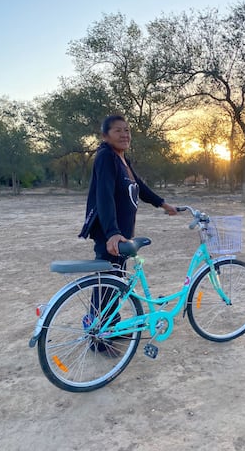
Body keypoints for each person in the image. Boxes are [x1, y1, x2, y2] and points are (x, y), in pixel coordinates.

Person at [79, 114, 177, 353]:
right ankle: (97, 339)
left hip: (122, 234)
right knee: (106, 284)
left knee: (116, 282)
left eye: (127, 130)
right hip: (109, 235)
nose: (125, 135)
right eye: (117, 131)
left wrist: (162, 204)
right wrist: (112, 232)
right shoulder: (105, 157)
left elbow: (140, 187)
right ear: (105, 136)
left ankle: (111, 329)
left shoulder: (122, 159)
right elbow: (104, 195)